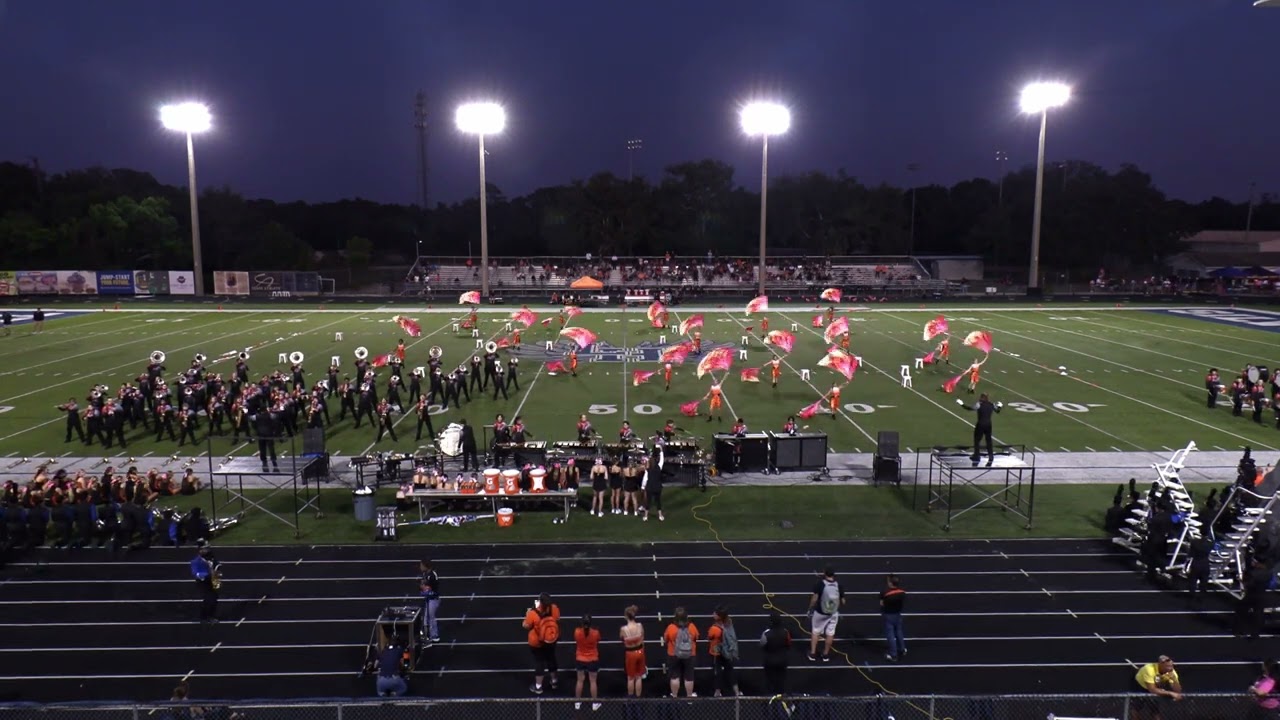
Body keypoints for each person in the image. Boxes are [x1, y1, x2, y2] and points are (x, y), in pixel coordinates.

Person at [523, 592, 561, 694]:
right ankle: (554, 681)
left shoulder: (533, 613)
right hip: (551, 639)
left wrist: (527, 614)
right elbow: (557, 619)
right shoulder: (554, 608)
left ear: (540, 602)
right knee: (551, 658)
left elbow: (526, 625)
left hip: (537, 642)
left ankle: (538, 686)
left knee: (539, 662)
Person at [807, 566, 845, 662]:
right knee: (830, 633)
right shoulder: (838, 585)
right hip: (833, 613)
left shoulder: (820, 584)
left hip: (820, 612)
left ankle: (812, 653)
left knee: (815, 631)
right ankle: (825, 655)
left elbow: (814, 599)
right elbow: (843, 601)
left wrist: (810, 608)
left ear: (824, 573)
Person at [663, 607, 699, 698]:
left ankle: (674, 696)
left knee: (674, 676)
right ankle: (689, 697)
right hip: (690, 654)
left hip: (673, 654)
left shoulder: (671, 627)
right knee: (689, 676)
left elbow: (666, 639)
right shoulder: (692, 627)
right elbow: (697, 637)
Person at [1132, 655, 1182, 719]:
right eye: (1167, 666)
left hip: (1156, 686)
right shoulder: (1149, 669)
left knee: (1155, 708)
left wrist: (1174, 679)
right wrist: (1170, 693)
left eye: (1171, 666)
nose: (1170, 668)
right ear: (1160, 664)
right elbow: (1152, 689)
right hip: (1140, 685)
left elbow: (1178, 691)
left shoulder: (1172, 672)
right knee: (1137, 706)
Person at [707, 605, 740, 697]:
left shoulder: (714, 628)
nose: (713, 614)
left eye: (715, 613)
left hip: (716, 652)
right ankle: (736, 692)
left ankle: (717, 692)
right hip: (728, 652)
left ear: (719, 616)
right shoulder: (729, 624)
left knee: (717, 672)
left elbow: (709, 637)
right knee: (730, 671)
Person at [961, 393, 1002, 466]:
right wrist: (1000, 406)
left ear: (982, 398)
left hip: (980, 424)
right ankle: (991, 456)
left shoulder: (979, 404)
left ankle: (976, 456)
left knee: (977, 440)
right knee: (989, 441)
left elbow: (970, 408)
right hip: (988, 425)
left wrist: (962, 404)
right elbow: (997, 411)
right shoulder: (991, 404)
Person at [573, 614, 602, 711]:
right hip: (592, 659)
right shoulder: (595, 633)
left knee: (579, 680)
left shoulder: (577, 632)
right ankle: (594, 703)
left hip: (580, 658)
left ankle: (577, 702)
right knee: (593, 681)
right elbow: (598, 640)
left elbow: (576, 640)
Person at [759, 610, 791, 696]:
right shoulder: (785, 632)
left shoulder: (766, 633)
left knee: (770, 679)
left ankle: (770, 695)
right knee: (781, 679)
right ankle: (781, 695)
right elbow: (788, 644)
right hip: (782, 660)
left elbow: (762, 644)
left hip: (769, 660)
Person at [189, 539, 220, 624]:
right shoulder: (196, 561)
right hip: (203, 582)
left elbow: (216, 564)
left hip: (213, 579)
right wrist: (208, 575)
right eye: (206, 548)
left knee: (214, 598)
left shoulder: (211, 557)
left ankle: (205, 616)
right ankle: (208, 617)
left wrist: (217, 569)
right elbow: (196, 573)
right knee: (210, 599)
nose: (208, 550)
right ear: (200, 550)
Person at [621, 605, 646, 699]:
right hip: (640, 651)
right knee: (639, 676)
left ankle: (631, 698)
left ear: (626, 616)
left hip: (630, 654)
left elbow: (622, 639)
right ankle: (638, 698)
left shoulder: (624, 629)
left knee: (630, 677)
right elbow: (642, 640)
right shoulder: (640, 626)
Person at [880, 574, 907, 662]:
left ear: (891, 583)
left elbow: (882, 603)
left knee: (890, 635)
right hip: (898, 615)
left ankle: (893, 655)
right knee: (899, 632)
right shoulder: (902, 593)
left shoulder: (885, 593)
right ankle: (902, 649)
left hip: (888, 615)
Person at [419, 560, 441, 643]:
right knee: (426, 618)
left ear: (426, 566)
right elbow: (422, 586)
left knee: (431, 618)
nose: (420, 567)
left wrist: (426, 590)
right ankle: (427, 635)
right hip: (429, 598)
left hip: (433, 599)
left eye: (421, 565)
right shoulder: (425, 574)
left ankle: (435, 635)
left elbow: (434, 588)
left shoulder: (432, 575)